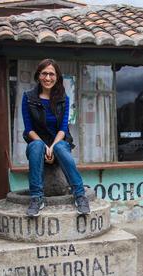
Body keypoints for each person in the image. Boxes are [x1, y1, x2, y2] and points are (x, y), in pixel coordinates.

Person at [22, 58, 90, 217]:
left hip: (59, 144)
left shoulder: (63, 99)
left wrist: (52, 147)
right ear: (38, 75)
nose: (47, 78)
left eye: (51, 74)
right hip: (37, 145)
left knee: (60, 147)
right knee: (37, 145)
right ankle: (37, 198)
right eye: (44, 73)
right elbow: (28, 129)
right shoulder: (28, 97)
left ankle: (79, 195)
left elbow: (63, 128)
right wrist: (45, 146)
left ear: (57, 77)